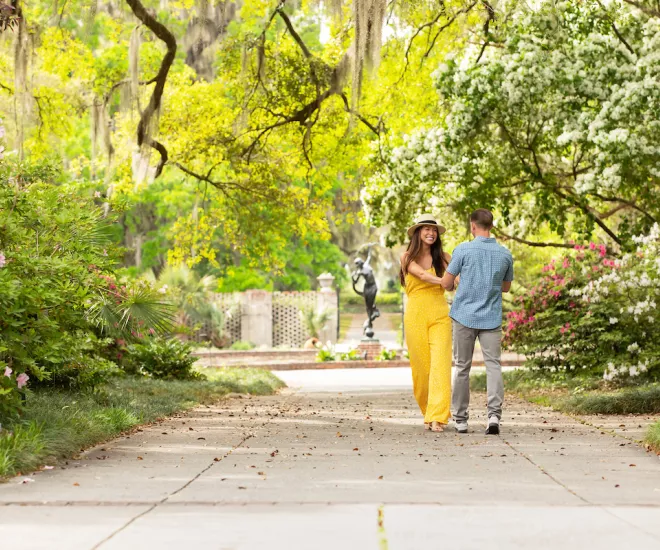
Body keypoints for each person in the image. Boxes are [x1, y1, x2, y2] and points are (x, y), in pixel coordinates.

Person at [438, 209, 514, 435]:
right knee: (494, 366)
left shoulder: (462, 250)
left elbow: (445, 283)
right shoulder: (504, 254)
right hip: (490, 318)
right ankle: (493, 417)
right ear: (491, 226)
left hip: (464, 316)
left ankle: (461, 420)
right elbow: (506, 287)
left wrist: (461, 281)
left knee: (462, 367)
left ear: (473, 226)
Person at [400, 214, 453, 432]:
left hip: (440, 314)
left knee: (440, 365)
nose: (431, 233)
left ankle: (437, 416)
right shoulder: (406, 257)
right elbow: (421, 274)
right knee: (421, 371)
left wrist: (454, 281)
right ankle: (428, 410)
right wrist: (444, 280)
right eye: (426, 229)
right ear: (418, 233)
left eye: (434, 230)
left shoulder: (445, 258)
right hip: (415, 316)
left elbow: (453, 285)